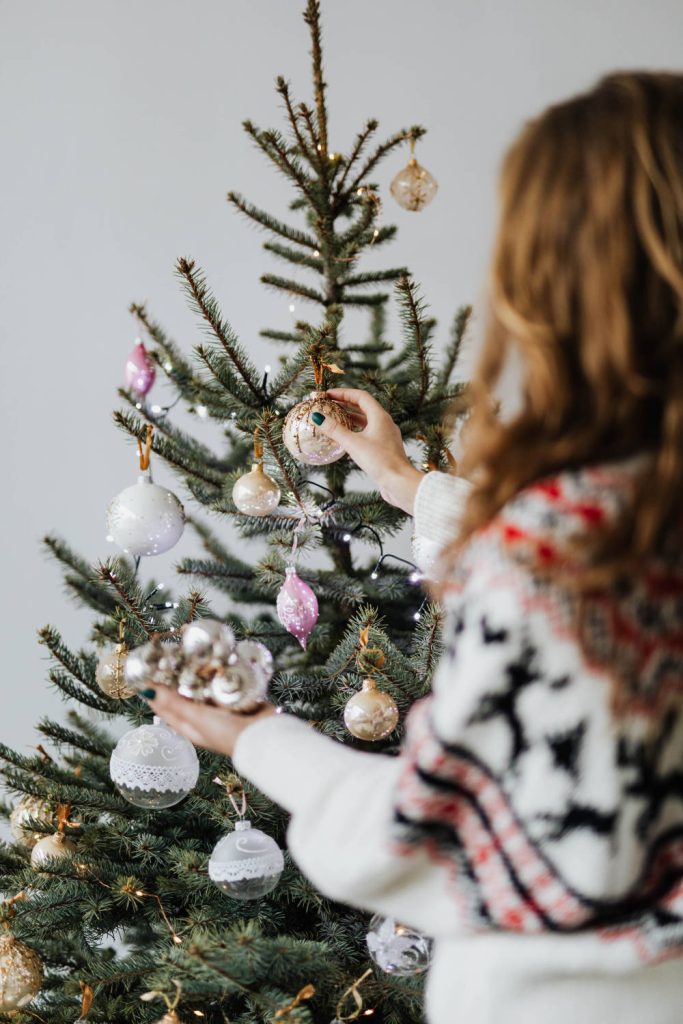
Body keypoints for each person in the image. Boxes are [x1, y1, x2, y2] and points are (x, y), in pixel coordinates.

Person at [143, 71, 683, 1024]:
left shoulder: (564, 549)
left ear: (556, 280)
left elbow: (429, 836)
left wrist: (255, 737)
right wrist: (404, 481)